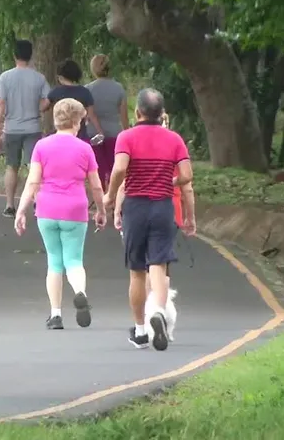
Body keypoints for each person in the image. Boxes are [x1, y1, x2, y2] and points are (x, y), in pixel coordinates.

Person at [104, 89, 193, 352]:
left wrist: (110, 196)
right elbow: (186, 175)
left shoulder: (126, 137)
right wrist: (169, 180)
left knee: (136, 270)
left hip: (136, 207)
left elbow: (120, 168)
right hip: (163, 207)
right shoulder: (174, 139)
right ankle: (159, 314)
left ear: (137, 112)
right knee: (159, 264)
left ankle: (141, 331)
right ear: (162, 114)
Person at [14, 98, 106, 330]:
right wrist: (102, 210)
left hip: (47, 209)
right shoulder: (85, 149)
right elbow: (95, 186)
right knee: (74, 260)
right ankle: (80, 292)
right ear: (77, 121)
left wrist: (21, 210)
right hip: (75, 208)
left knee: (54, 261)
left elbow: (33, 181)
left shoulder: (42, 146)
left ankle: (55, 315)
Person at [0, 39, 50, 218]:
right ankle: (37, 202)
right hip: (32, 127)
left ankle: (10, 205)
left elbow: (0, 103)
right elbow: (48, 99)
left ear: (14, 55)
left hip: (12, 128)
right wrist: (39, 108)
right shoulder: (39, 78)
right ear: (30, 56)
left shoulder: (5, 77)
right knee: (34, 167)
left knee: (11, 166)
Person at [85, 54, 129, 190]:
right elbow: (124, 115)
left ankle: (101, 200)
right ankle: (114, 198)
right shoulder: (119, 88)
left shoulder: (87, 89)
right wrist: (126, 133)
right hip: (114, 134)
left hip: (93, 133)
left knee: (97, 169)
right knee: (114, 168)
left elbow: (86, 114)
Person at [46, 59, 104, 143]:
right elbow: (92, 115)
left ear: (60, 77)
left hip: (60, 135)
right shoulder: (84, 92)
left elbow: (43, 107)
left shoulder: (55, 92)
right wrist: (100, 131)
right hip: (80, 135)